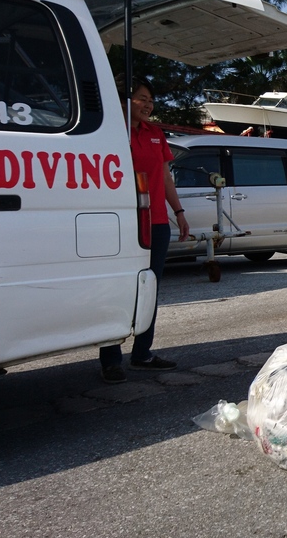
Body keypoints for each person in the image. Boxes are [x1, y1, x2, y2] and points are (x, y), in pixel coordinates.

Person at [100, 76, 190, 384]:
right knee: (118, 289)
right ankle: (111, 359)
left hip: (156, 224)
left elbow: (165, 177)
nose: (148, 104)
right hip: (123, 223)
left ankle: (142, 354)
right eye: (141, 98)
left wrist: (178, 211)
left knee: (149, 289)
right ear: (124, 101)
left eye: (150, 99)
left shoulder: (156, 134)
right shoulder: (112, 132)